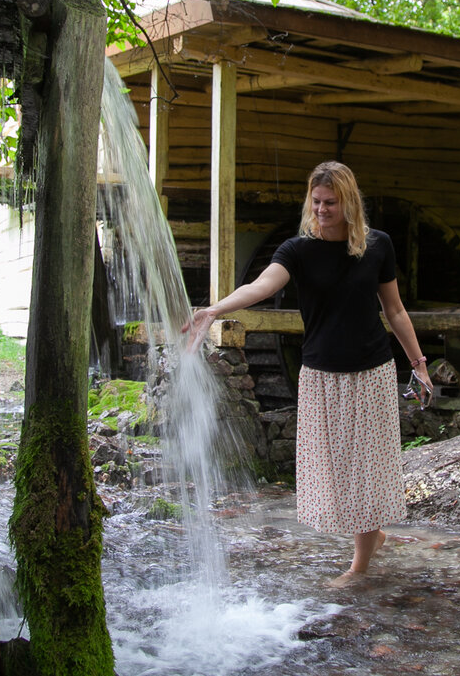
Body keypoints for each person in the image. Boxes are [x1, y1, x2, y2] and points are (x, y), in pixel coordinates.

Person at [183, 160, 433, 587]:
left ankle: (358, 567)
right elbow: (260, 286)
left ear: (349, 202)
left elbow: (394, 309)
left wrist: (419, 365)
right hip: (320, 376)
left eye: (331, 202)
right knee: (333, 468)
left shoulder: (378, 246)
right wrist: (214, 309)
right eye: (316, 202)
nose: (321, 210)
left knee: (366, 469)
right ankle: (373, 536)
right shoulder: (295, 250)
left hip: (371, 371)